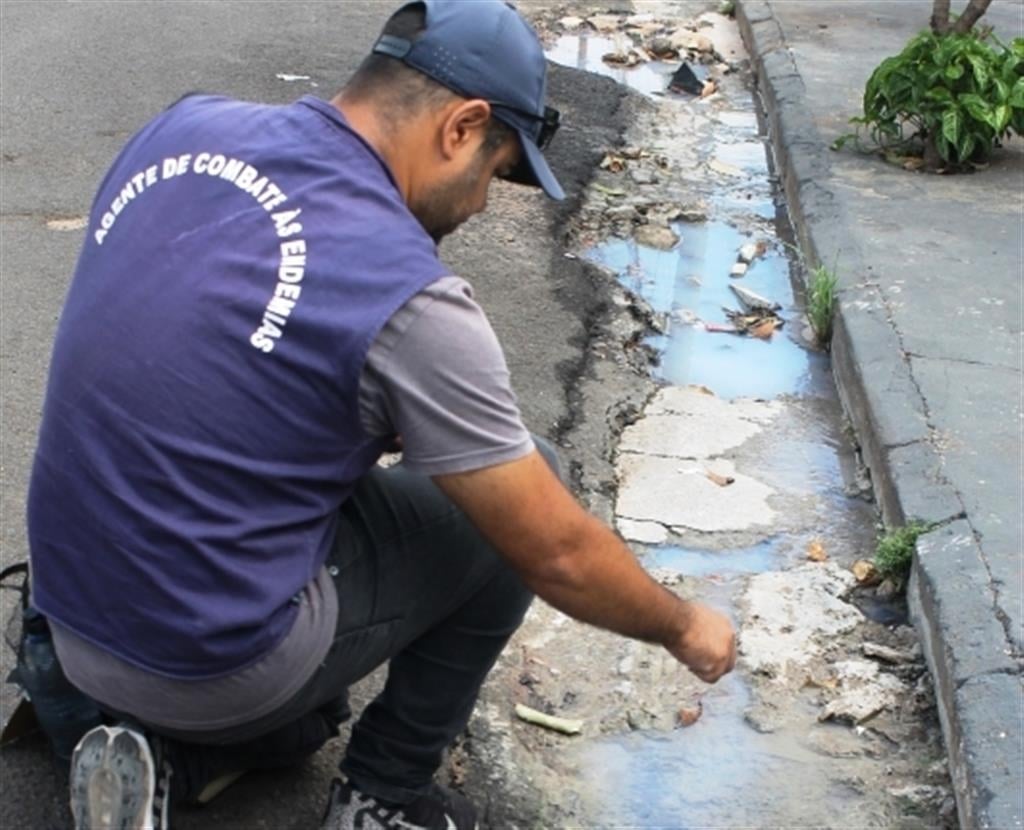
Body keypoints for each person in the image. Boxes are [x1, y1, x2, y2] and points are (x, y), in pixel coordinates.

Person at [25, 1, 737, 828]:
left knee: (297, 708)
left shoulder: (180, 131)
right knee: (514, 500)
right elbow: (559, 556)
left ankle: (155, 748)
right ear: (463, 127)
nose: (480, 205)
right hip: (209, 662)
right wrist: (686, 626)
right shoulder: (410, 298)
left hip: (74, 613)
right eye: (499, 174)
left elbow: (197, 346)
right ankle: (380, 798)